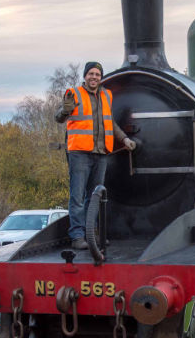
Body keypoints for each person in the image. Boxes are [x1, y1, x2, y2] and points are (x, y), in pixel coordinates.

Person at [56, 61, 136, 250]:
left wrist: (124, 139)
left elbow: (110, 122)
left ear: (101, 77)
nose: (94, 77)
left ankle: (93, 235)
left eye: (97, 74)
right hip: (79, 153)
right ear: (85, 76)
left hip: (101, 154)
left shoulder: (106, 95)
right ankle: (77, 236)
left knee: (96, 197)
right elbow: (59, 117)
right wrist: (65, 110)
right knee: (77, 196)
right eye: (91, 74)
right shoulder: (74, 94)